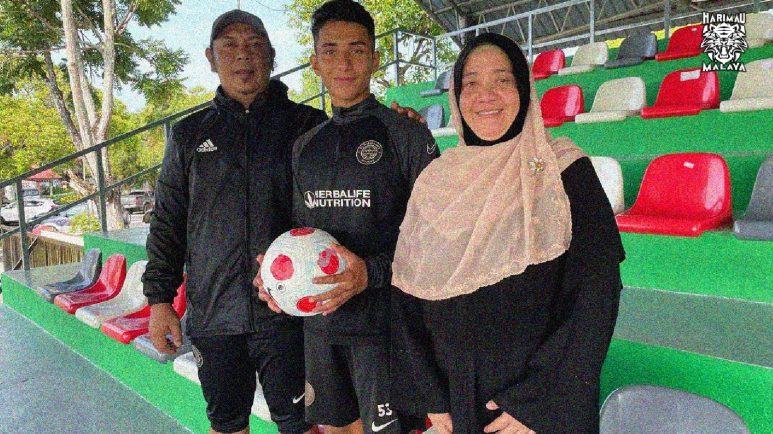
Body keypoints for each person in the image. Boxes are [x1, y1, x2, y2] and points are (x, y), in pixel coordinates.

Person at [390, 33, 626, 434]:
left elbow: (595, 295)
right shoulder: (436, 182)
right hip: (458, 403)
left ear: (524, 90)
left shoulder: (565, 170)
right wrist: (432, 396)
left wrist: (537, 404)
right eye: (471, 83)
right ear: (456, 96)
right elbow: (407, 293)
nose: (486, 95)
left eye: (502, 80)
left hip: (532, 414)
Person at [256, 1, 438, 433]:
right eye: (330, 50)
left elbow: (437, 241)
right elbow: (297, 232)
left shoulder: (407, 135)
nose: (343, 63)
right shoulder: (305, 146)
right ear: (315, 62)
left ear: (375, 59)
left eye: (357, 50)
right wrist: (274, 277)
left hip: (387, 329)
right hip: (322, 328)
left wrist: (369, 274)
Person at [142, 10, 327, 434]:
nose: (243, 55)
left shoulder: (308, 126)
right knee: (227, 425)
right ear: (211, 57)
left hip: (290, 316)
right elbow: (168, 222)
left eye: (254, 44)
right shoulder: (188, 135)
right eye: (229, 45)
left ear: (272, 55)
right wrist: (159, 300)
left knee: (301, 426)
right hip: (215, 315)